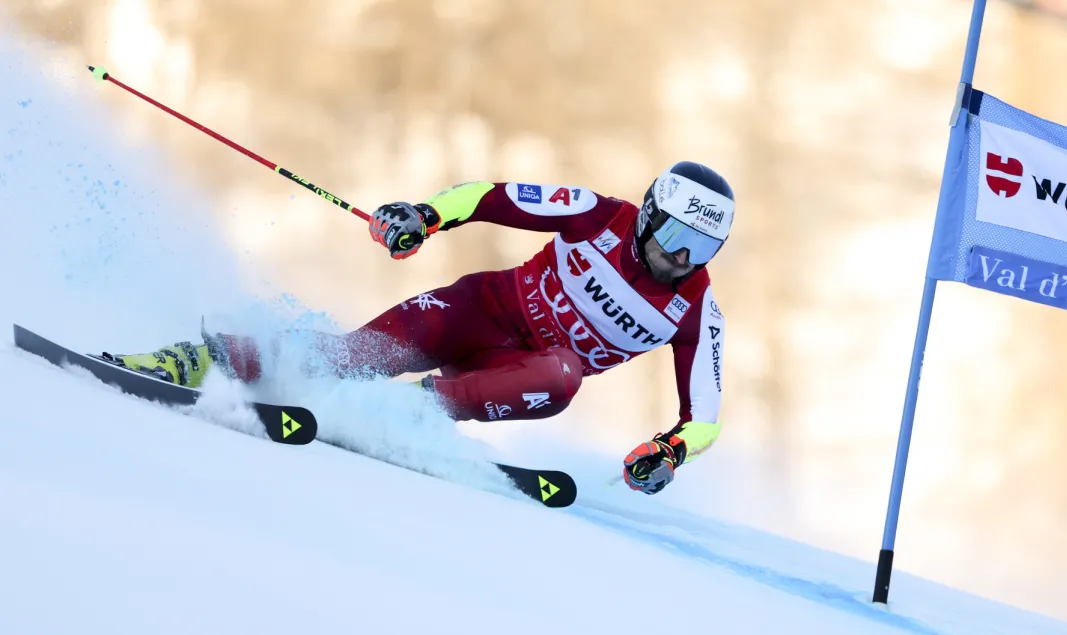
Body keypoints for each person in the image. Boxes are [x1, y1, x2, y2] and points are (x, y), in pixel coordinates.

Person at [108, 161, 733, 495]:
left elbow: (704, 416)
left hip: (518, 374)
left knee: (564, 372)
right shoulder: (597, 215)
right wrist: (424, 216)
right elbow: (491, 196)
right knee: (344, 357)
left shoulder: (696, 308)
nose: (680, 259)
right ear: (650, 214)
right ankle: (202, 359)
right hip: (477, 310)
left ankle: (403, 407)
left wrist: (669, 452)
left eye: (701, 248)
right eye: (675, 237)